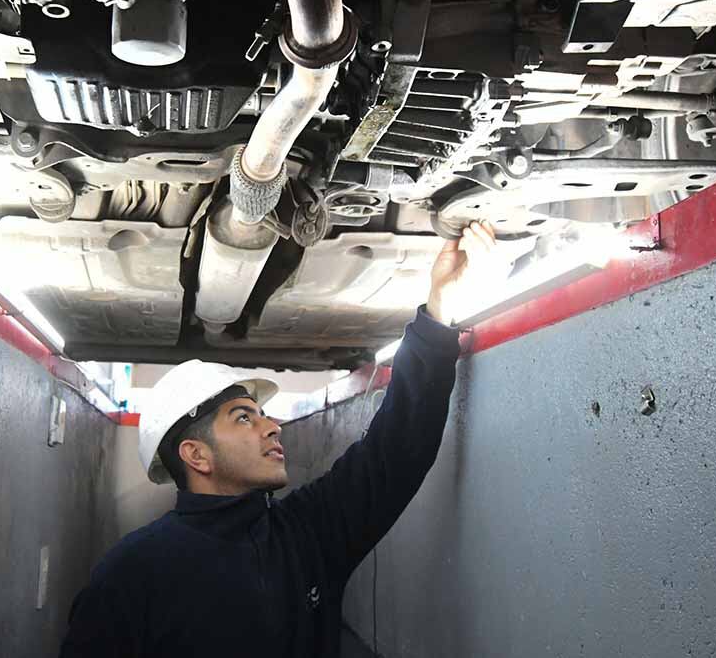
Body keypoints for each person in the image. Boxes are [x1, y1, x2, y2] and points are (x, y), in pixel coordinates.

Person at [59, 221, 500, 657]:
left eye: (264, 415)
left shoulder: (306, 535)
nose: (272, 427)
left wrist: (438, 308)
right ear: (196, 454)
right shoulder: (131, 574)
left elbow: (396, 448)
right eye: (244, 418)